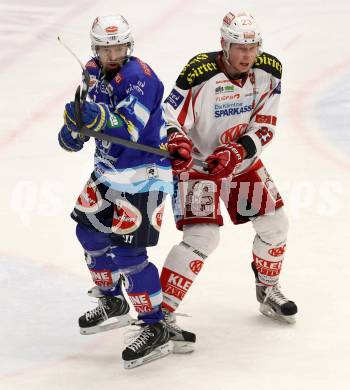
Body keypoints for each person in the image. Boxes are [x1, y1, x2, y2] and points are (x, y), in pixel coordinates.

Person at [159, 11, 298, 349]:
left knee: (276, 223)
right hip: (198, 166)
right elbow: (167, 118)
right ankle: (159, 317)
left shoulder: (270, 71)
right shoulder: (199, 72)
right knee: (202, 237)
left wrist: (237, 153)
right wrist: (177, 142)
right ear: (223, 44)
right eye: (239, 47)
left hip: (239, 162)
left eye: (252, 47)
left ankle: (267, 289)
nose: (247, 55)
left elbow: (265, 125)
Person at [58, 14, 175, 368]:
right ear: (95, 48)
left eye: (119, 46)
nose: (113, 54)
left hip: (144, 176)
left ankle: (155, 326)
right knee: (88, 233)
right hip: (109, 172)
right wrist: (74, 131)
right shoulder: (92, 71)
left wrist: (95, 119)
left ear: (129, 45)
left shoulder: (142, 78)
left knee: (129, 256)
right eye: (106, 48)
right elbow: (90, 120)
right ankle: (114, 301)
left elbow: (130, 129)